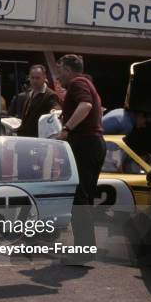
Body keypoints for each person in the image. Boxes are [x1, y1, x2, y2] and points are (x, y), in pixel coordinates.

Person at [55, 54, 106, 265]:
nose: (58, 76)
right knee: (84, 198)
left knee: (79, 198)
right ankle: (86, 248)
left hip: (85, 145)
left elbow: (85, 106)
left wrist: (67, 128)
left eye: (59, 71)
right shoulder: (86, 83)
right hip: (93, 143)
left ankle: (83, 251)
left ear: (67, 69)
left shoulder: (77, 83)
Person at [17, 65, 60, 137]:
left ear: (44, 77)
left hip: (39, 140)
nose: (34, 81)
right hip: (23, 137)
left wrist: (54, 111)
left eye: (37, 78)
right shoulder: (29, 93)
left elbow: (55, 109)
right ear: (29, 78)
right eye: (32, 78)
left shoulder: (50, 95)